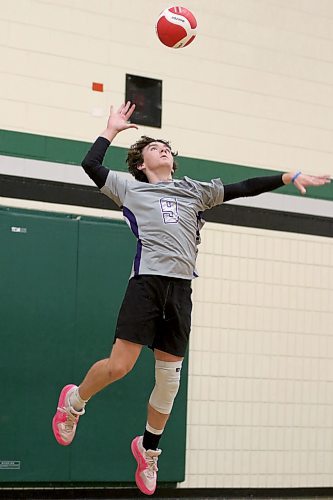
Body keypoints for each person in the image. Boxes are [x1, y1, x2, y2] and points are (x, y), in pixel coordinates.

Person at [52, 101, 330, 496]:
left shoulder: (194, 191)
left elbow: (240, 189)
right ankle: (74, 402)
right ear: (141, 163)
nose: (163, 148)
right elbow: (90, 165)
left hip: (180, 291)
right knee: (119, 367)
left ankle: (148, 450)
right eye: (154, 148)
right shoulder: (130, 187)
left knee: (168, 384)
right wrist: (110, 130)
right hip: (147, 285)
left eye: (166, 146)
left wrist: (286, 176)